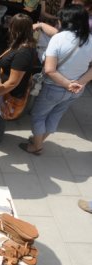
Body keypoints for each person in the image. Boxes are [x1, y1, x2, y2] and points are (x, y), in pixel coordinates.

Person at [25, 5, 92, 154]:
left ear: (67, 21)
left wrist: (68, 84)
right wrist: (78, 84)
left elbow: (49, 69)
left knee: (38, 116)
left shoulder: (59, 38)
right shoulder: (90, 40)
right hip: (77, 90)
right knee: (55, 115)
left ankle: (37, 146)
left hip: (54, 87)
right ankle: (39, 140)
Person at [0, 13, 36, 148]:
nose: (8, 28)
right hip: (5, 91)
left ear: (16, 29)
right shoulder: (23, 44)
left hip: (8, 94)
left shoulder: (23, 53)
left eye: (11, 25)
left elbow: (13, 82)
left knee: (0, 115)